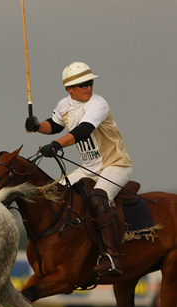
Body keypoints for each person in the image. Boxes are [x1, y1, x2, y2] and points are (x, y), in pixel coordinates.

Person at [25, 62, 133, 277]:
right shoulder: (64, 104)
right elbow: (54, 125)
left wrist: (57, 144)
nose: (88, 88)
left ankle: (111, 257)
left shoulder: (98, 103)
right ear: (69, 89)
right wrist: (37, 127)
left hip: (115, 164)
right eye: (82, 85)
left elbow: (84, 130)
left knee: (97, 199)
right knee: (51, 194)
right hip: (89, 168)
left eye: (90, 82)